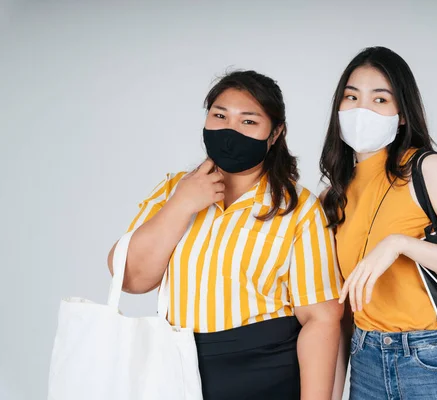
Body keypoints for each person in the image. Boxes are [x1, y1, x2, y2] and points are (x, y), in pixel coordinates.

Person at [107, 70, 344, 400]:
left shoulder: (298, 208)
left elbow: (321, 318)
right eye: (220, 116)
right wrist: (181, 205)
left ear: (275, 133)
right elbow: (131, 279)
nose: (230, 131)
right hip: (178, 367)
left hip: (267, 373)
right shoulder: (174, 189)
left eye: (248, 121)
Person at [320, 47, 437, 400]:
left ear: (402, 114)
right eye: (352, 96)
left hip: (430, 359)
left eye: (380, 99)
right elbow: (345, 309)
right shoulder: (334, 194)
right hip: (365, 360)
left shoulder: (425, 169)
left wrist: (400, 244)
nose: (362, 109)